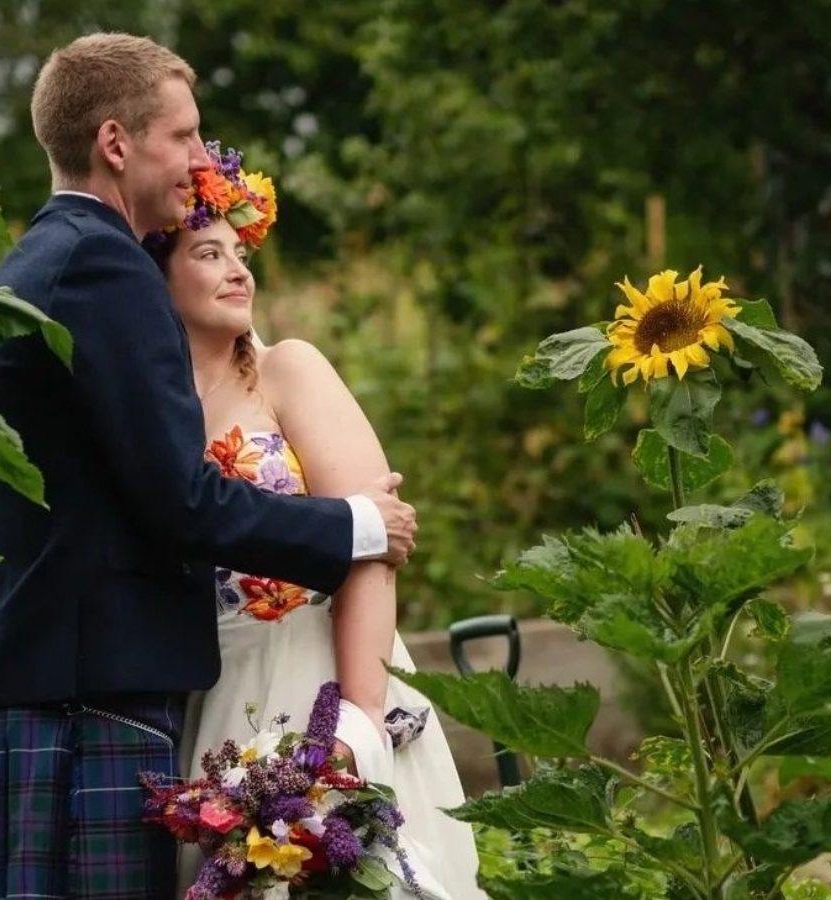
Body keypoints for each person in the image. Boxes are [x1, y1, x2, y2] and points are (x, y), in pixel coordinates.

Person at [0, 34, 418, 900]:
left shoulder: (19, 272)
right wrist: (359, 523)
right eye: (184, 137)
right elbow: (179, 500)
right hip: (88, 710)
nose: (201, 160)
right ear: (117, 144)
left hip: (31, 698)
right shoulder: (105, 265)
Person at [144, 145, 483, 899]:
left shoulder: (289, 370)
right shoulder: (148, 414)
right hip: (217, 699)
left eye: (242, 252)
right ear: (157, 276)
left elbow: (372, 546)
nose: (240, 270)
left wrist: (359, 720)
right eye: (209, 252)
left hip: (328, 665)